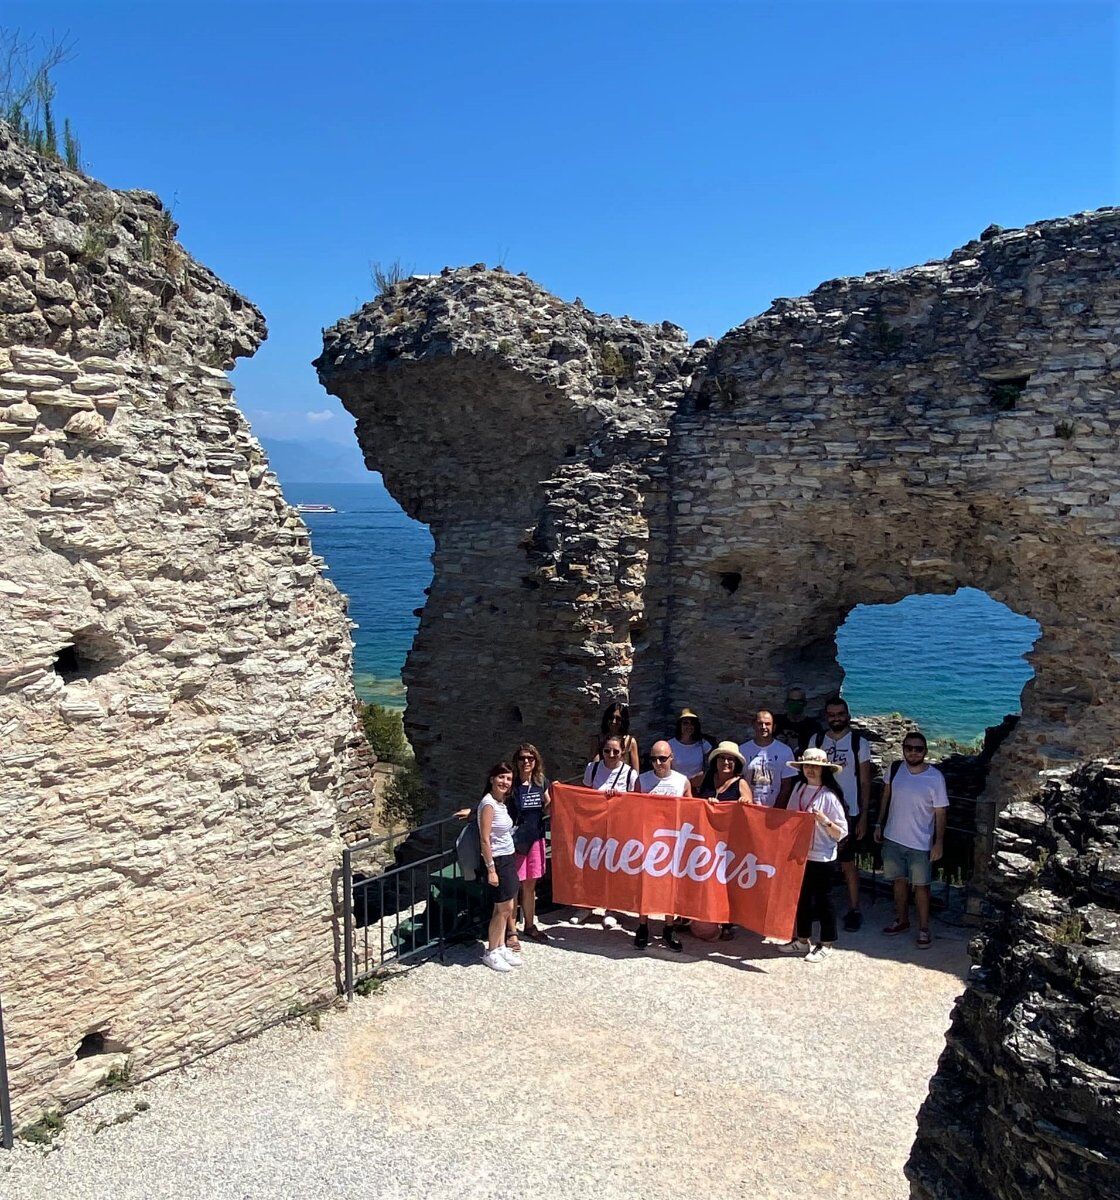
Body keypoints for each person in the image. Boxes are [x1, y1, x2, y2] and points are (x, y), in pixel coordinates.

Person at [874, 731, 948, 949]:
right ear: (903, 748)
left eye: (918, 749)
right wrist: (878, 824)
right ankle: (902, 920)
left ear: (925, 751)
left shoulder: (935, 778)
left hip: (920, 842)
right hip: (893, 837)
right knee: (898, 881)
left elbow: (941, 812)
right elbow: (886, 796)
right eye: (909, 748)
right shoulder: (895, 769)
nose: (913, 752)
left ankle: (924, 928)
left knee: (922, 887)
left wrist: (939, 842)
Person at [778, 747, 849, 963]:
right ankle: (802, 939)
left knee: (824, 899)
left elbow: (841, 831)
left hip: (823, 856)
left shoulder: (829, 796)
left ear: (822, 769)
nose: (810, 770)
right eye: (807, 765)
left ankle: (827, 942)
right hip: (801, 854)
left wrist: (824, 821)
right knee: (802, 899)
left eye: (814, 766)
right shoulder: (799, 788)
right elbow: (790, 818)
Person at [811, 696, 872, 931]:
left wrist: (864, 816)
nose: (836, 718)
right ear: (826, 716)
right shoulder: (816, 741)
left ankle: (854, 909)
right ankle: (819, 904)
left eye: (840, 714)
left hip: (849, 813)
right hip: (820, 811)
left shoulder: (859, 743)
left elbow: (865, 782)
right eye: (832, 714)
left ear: (847, 715)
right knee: (817, 860)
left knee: (847, 863)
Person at [572, 736, 638, 928]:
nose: (611, 755)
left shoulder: (629, 774)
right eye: (607, 751)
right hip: (594, 825)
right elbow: (584, 795)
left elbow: (634, 802)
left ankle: (612, 908)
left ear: (622, 753)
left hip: (618, 828)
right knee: (590, 866)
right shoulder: (592, 769)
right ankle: (587, 905)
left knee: (614, 867)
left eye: (615, 751)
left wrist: (617, 799)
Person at [695, 741, 754, 940]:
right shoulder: (707, 779)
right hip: (706, 839)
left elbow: (750, 808)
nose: (726, 762)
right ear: (716, 761)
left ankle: (728, 921)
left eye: (730, 759)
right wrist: (705, 803)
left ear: (736, 763)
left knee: (727, 881)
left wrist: (743, 803)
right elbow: (690, 793)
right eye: (722, 758)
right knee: (705, 877)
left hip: (730, 842)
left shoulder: (741, 783)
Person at [633, 740, 688, 951]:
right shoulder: (643, 780)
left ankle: (668, 926)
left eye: (662, 759)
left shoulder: (682, 782)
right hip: (647, 841)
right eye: (654, 759)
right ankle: (642, 926)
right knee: (644, 884)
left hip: (673, 842)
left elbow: (693, 811)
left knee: (671, 887)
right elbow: (631, 807)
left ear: (671, 758)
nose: (658, 763)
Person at [477, 762, 522, 973]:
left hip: (507, 857)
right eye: (501, 777)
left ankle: (501, 946)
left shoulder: (500, 803)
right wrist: (491, 869)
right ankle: (491, 951)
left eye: (509, 779)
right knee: (501, 908)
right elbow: (485, 839)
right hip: (498, 860)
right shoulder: (488, 804)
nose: (505, 782)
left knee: (508, 907)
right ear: (492, 779)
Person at [509, 742, 551, 945]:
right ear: (516, 762)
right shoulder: (511, 784)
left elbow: (548, 807)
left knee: (530, 885)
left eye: (530, 758)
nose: (526, 762)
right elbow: (494, 803)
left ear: (536, 761)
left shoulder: (541, 782)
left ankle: (529, 926)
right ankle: (511, 931)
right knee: (513, 886)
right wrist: (474, 813)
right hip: (516, 841)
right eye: (522, 758)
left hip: (535, 838)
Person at [738, 710, 797, 808]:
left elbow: (786, 785)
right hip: (748, 807)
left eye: (767, 724)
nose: (763, 727)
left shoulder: (785, 751)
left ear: (774, 727)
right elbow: (738, 779)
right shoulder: (742, 750)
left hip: (774, 809)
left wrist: (777, 809)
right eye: (760, 723)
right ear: (754, 725)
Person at [591, 700, 640, 773]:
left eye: (618, 719)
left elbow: (635, 771)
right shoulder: (599, 740)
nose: (614, 722)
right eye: (611, 718)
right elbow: (594, 767)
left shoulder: (630, 742)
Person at [667, 708, 713, 785]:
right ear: (680, 725)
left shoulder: (703, 744)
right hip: (676, 785)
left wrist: (703, 776)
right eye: (685, 723)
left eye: (692, 723)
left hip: (696, 786)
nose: (689, 726)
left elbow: (712, 765)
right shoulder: (670, 745)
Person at [775, 685, 822, 755]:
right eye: (792, 701)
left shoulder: (813, 726)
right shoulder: (777, 722)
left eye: (799, 701)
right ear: (787, 702)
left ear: (804, 703)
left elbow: (817, 751)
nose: (795, 704)